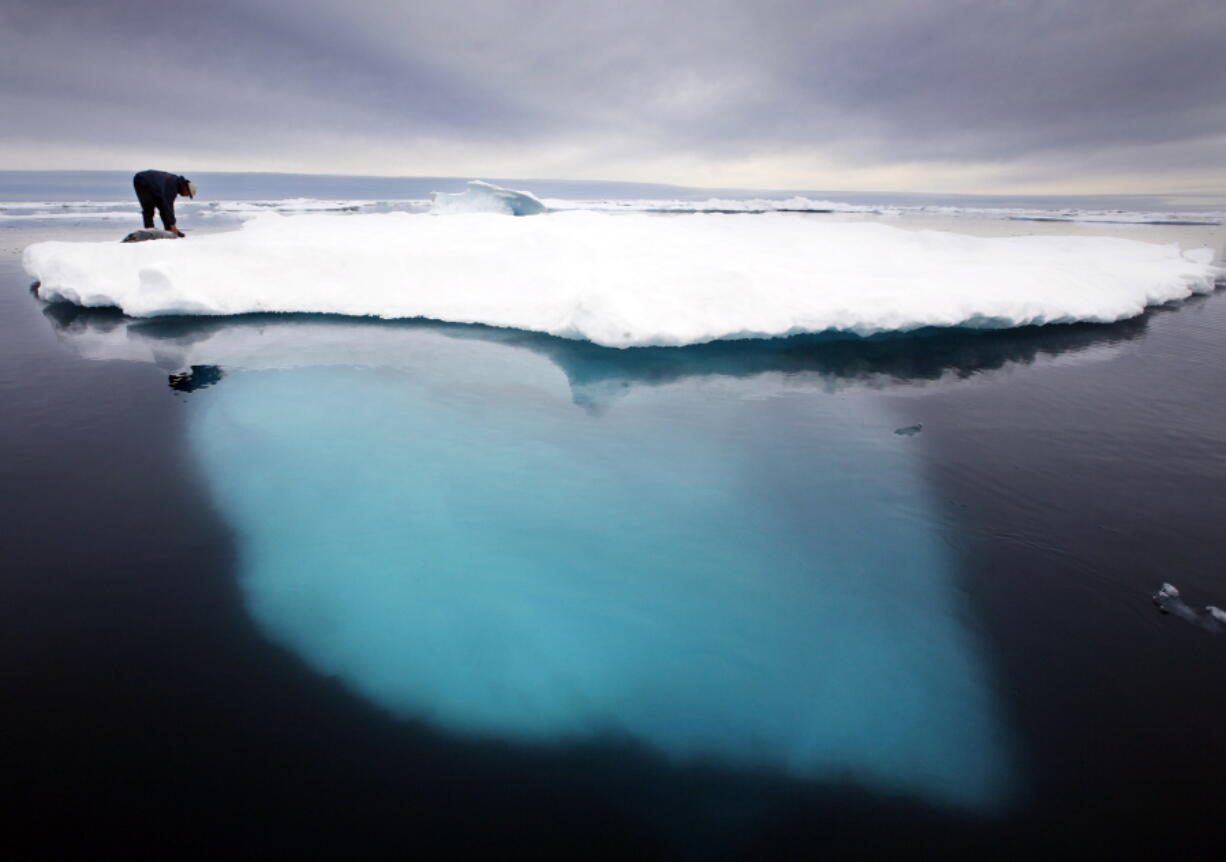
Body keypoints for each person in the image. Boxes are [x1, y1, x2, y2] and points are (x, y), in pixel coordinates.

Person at [132, 170, 197, 237]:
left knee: (163, 208)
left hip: (155, 187)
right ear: (186, 188)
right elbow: (168, 205)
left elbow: (165, 207)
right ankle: (149, 231)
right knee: (149, 208)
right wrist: (172, 224)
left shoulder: (176, 184)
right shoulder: (172, 186)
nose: (187, 196)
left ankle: (169, 230)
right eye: (188, 194)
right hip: (142, 181)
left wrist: (171, 225)